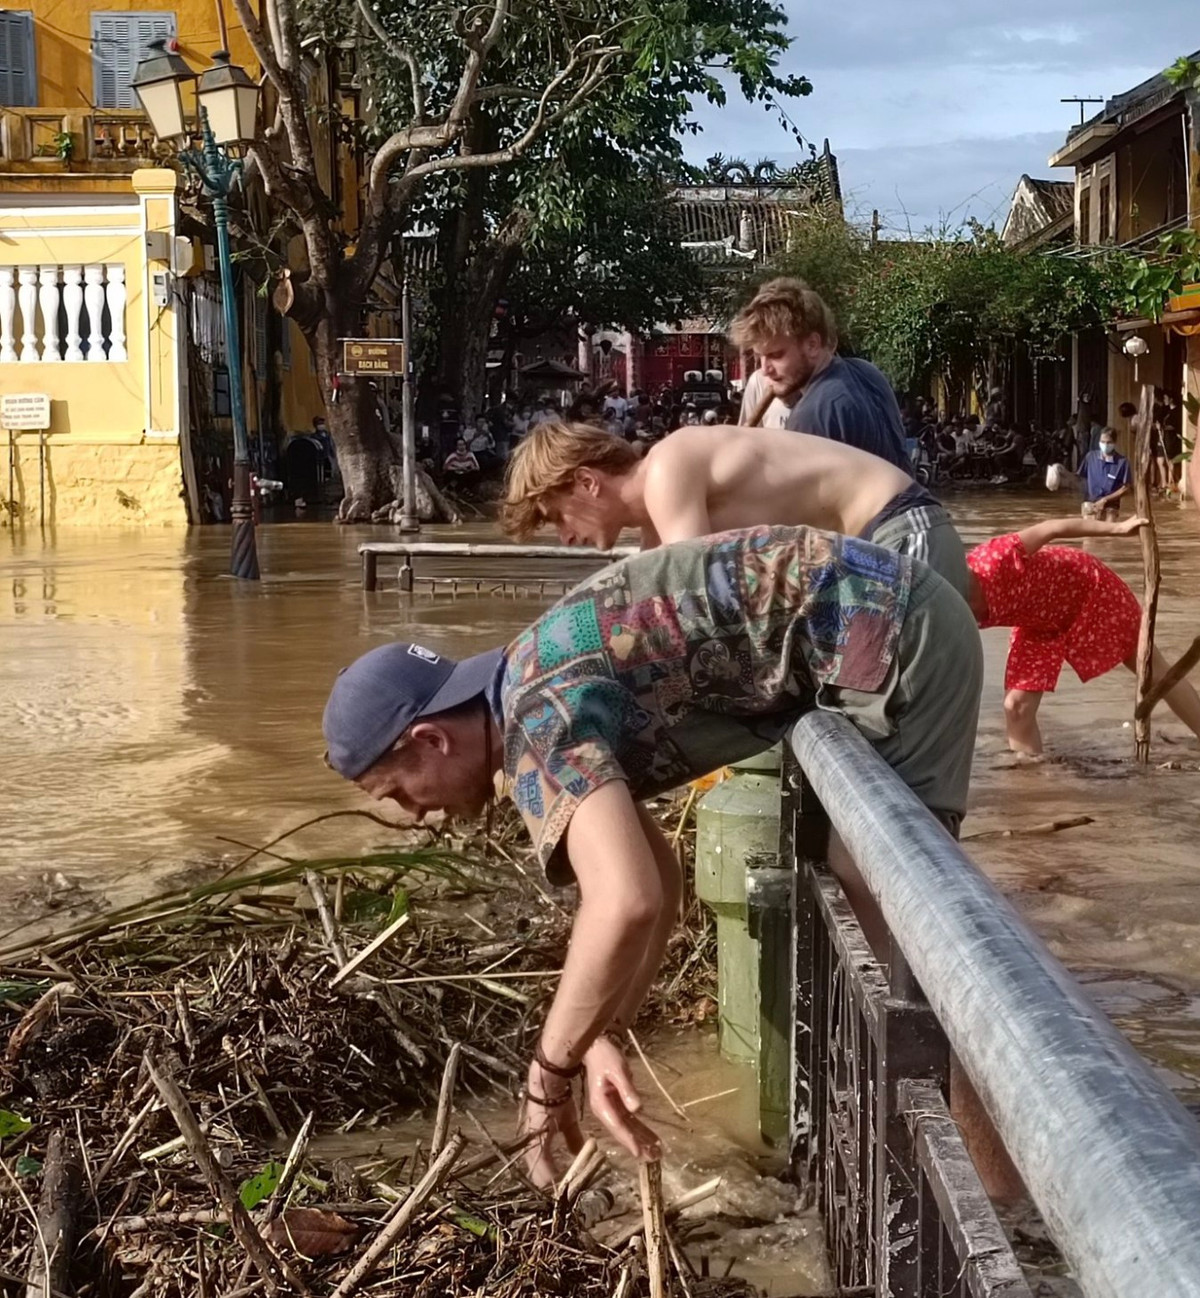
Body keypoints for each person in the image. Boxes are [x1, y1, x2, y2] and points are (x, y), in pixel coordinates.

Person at [322, 524, 982, 1186]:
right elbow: (658, 876)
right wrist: (604, 1031)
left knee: (897, 956)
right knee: (882, 948)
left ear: (431, 739)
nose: (411, 812)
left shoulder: (537, 725)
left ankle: (1006, 1203)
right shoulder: (530, 681)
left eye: (396, 790)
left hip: (895, 628)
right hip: (887, 614)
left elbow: (625, 901)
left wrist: (548, 1074)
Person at [501, 420, 971, 596]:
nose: (564, 536)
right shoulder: (656, 527)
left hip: (903, 527)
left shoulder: (668, 466)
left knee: (896, 717)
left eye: (556, 516)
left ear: (587, 482)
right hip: (877, 547)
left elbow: (700, 597)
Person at [966, 515, 1200, 756]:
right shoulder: (938, 603)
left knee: (1151, 669)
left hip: (1087, 589)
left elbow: (1053, 527)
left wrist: (1117, 528)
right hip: (1039, 621)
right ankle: (1031, 784)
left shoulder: (993, 559)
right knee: (1017, 707)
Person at [730, 278, 910, 470]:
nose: (765, 369)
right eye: (760, 357)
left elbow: (801, 499)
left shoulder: (812, 415)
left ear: (812, 345)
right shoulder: (866, 372)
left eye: (776, 355)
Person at [1077, 428, 1131, 519]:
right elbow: (1080, 480)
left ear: (1114, 442)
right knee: (1089, 531)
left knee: (1108, 531)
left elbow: (1126, 489)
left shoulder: (1122, 462)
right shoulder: (1090, 457)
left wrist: (1105, 500)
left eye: (1109, 442)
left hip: (1111, 507)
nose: (1105, 445)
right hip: (1090, 504)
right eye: (1102, 441)